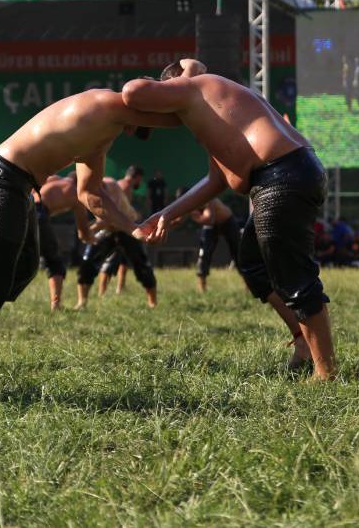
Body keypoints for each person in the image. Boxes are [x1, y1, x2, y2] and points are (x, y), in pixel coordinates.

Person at [0, 88, 179, 375]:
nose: (133, 125)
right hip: (0, 177)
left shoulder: (100, 139)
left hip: (18, 185)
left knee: (23, 268)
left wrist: (133, 229)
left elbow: (89, 195)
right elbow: (174, 116)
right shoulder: (109, 102)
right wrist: (193, 92)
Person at [123, 58, 336, 380]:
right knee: (253, 264)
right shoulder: (213, 104)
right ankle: (303, 342)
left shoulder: (194, 87)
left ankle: (326, 373)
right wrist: (166, 213)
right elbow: (216, 180)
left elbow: (131, 91)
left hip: (281, 176)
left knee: (295, 277)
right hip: (288, 173)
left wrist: (185, 76)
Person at [76, 175, 158, 310]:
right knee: (88, 261)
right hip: (108, 230)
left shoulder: (112, 186)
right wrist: (88, 230)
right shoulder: (86, 190)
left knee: (141, 264)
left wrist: (87, 230)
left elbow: (110, 217)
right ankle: (81, 302)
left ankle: (152, 302)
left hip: (127, 228)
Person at [33, 173, 93, 311]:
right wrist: (90, 237)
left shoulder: (53, 179)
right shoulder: (77, 194)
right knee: (55, 263)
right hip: (39, 215)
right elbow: (83, 229)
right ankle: (56, 305)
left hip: (22, 207)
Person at [98, 165, 145, 296]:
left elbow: (126, 208)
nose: (140, 183)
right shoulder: (122, 187)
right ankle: (102, 292)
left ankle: (120, 288)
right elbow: (116, 209)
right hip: (118, 229)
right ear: (137, 177)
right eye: (140, 180)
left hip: (124, 227)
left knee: (124, 260)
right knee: (111, 260)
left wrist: (134, 214)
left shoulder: (125, 187)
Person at [188, 197, 241, 293]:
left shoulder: (207, 198)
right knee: (203, 254)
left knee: (238, 253)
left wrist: (197, 218)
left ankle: (249, 285)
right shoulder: (188, 205)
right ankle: (202, 287)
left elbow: (209, 219)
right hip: (211, 225)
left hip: (227, 221)